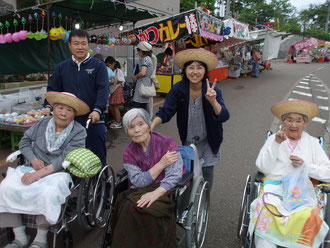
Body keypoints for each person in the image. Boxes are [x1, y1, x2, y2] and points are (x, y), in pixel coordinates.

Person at [0, 92, 89, 248]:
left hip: (59, 171)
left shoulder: (79, 131)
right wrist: (33, 159)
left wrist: (37, 175)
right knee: (5, 187)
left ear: (74, 114)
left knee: (48, 193)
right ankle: (20, 236)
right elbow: (24, 142)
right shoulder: (41, 123)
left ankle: (41, 238)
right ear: (53, 108)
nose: (63, 113)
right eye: (60, 108)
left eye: (69, 110)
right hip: (32, 165)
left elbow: (65, 158)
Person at [249, 100, 330, 248]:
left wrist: (306, 166)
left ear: (305, 124)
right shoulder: (274, 139)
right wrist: (276, 144)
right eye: (289, 120)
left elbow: (327, 173)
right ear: (283, 122)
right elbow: (262, 166)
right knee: (267, 211)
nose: (294, 125)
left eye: (298, 121)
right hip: (275, 190)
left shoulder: (312, 143)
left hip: (302, 193)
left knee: (308, 216)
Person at [151, 48, 230, 189]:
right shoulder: (178, 89)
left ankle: (204, 203)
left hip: (210, 139)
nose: (195, 72)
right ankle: (191, 202)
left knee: (207, 172)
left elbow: (224, 116)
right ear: (185, 70)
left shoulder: (213, 90)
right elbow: (165, 112)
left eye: (199, 68)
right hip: (188, 139)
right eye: (191, 67)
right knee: (189, 173)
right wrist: (151, 126)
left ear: (205, 71)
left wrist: (213, 101)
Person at [110, 108, 186, 248]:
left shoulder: (166, 143)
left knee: (148, 211)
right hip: (140, 189)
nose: (137, 130)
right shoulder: (129, 151)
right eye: (131, 127)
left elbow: (174, 176)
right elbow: (138, 181)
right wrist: (161, 164)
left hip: (165, 189)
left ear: (149, 125)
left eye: (141, 124)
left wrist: (155, 194)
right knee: (128, 207)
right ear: (127, 131)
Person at [43, 29, 109, 166]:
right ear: (69, 45)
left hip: (93, 120)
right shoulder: (62, 67)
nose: (80, 47)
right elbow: (53, 90)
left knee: (97, 158)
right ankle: (73, 185)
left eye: (83, 43)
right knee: (68, 158)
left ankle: (103, 184)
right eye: (76, 43)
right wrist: (48, 107)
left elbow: (103, 90)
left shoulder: (99, 66)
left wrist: (97, 110)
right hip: (68, 121)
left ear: (88, 45)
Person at [131, 41, 154, 113]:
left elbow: (143, 73)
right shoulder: (148, 58)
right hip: (146, 84)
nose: (138, 53)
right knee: (143, 107)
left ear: (141, 51)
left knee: (136, 107)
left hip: (142, 85)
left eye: (138, 51)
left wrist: (135, 76)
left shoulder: (146, 59)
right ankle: (145, 122)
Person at [108, 61, 125, 129]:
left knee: (115, 106)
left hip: (117, 89)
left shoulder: (118, 71)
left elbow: (121, 80)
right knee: (110, 106)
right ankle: (117, 120)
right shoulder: (111, 71)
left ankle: (118, 121)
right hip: (113, 90)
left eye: (109, 64)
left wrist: (111, 83)